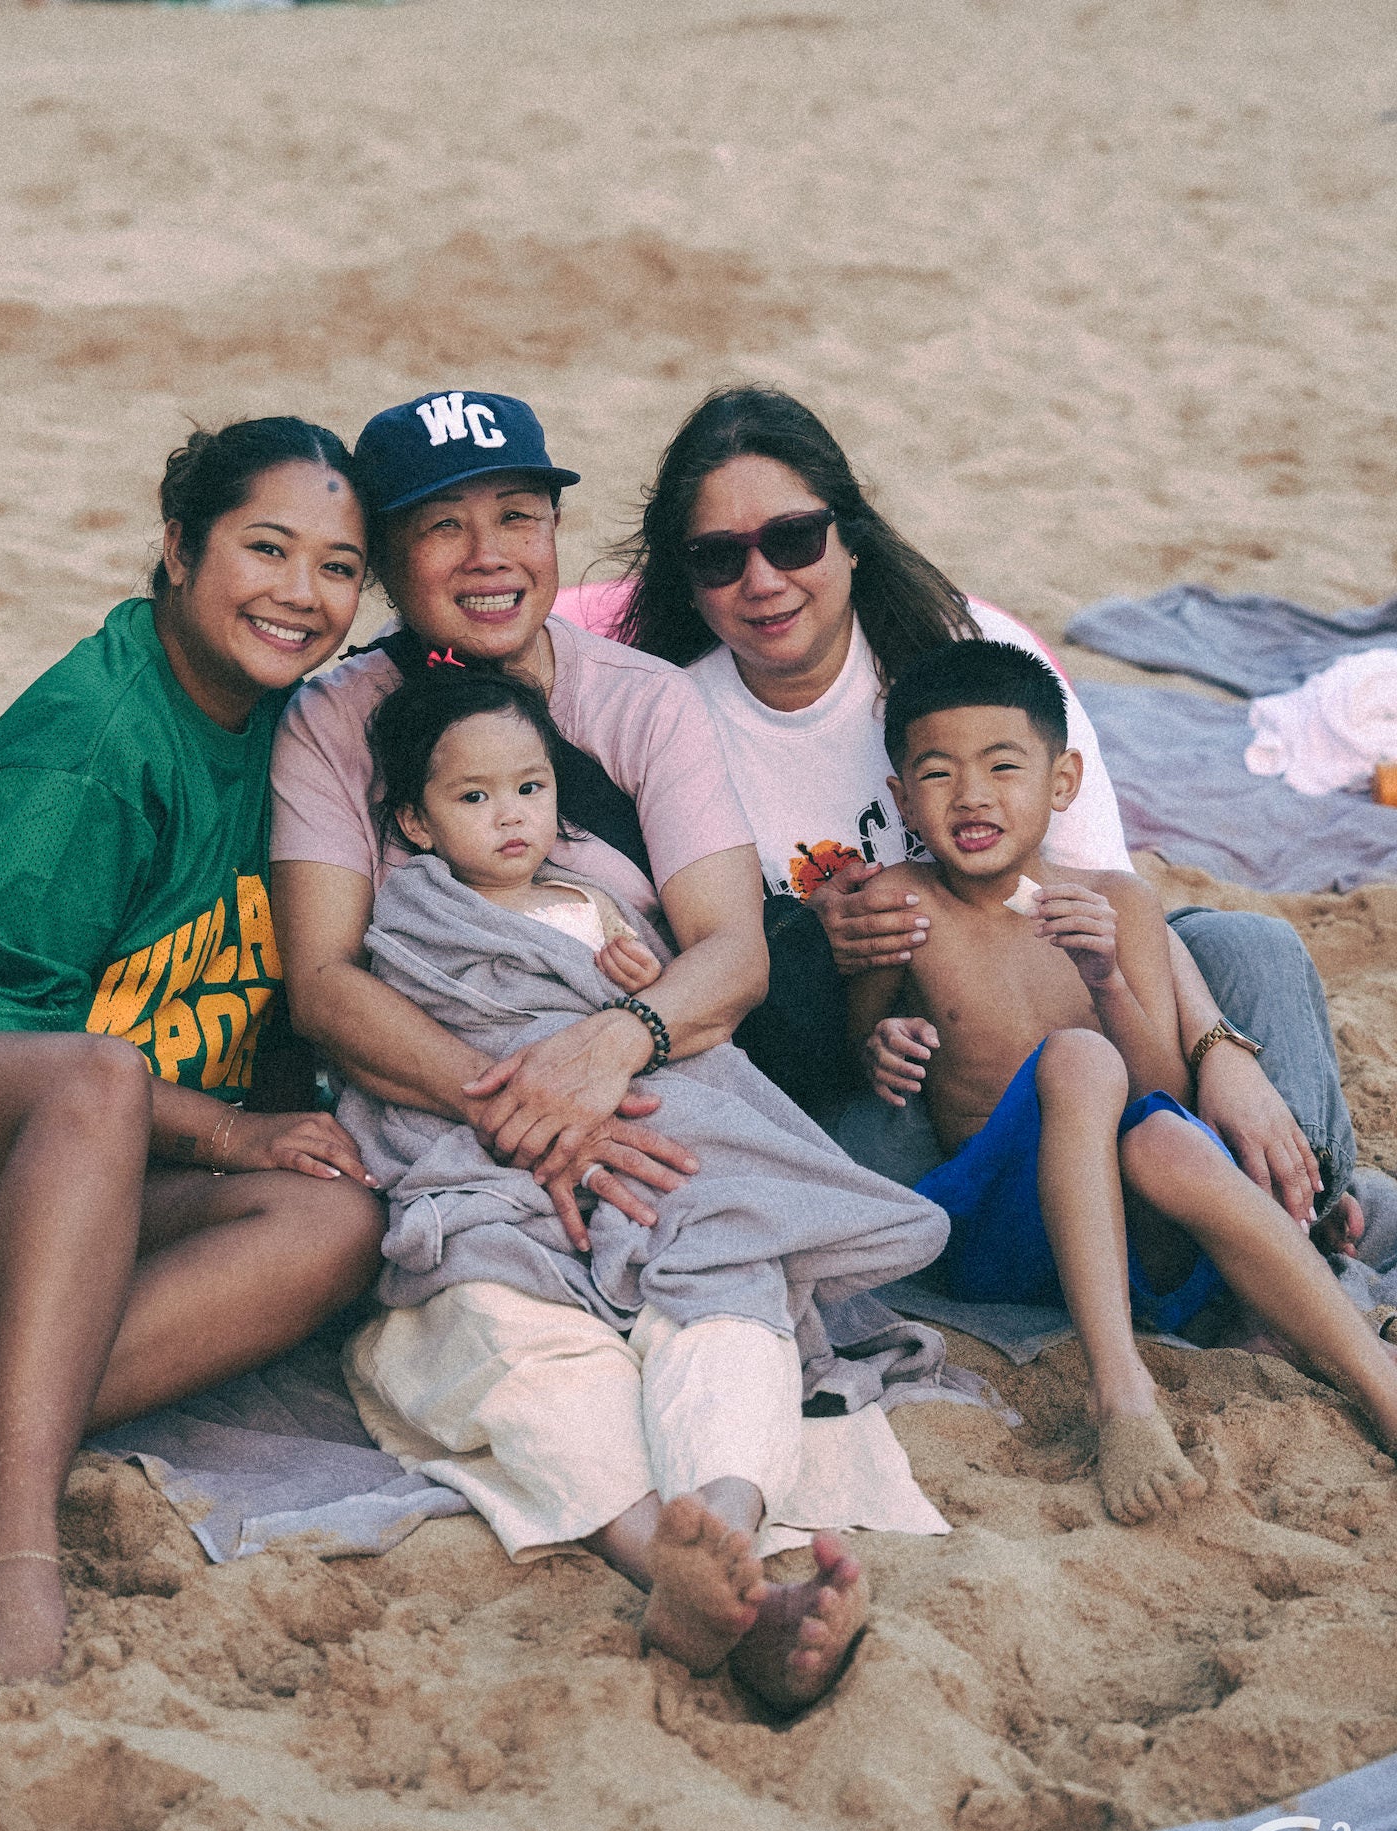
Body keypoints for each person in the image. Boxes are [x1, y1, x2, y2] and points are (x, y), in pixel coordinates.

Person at [0, 418, 386, 1685]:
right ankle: (14, 1543)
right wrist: (227, 1131)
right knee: (93, 1071)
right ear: (177, 548)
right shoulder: (97, 746)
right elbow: (5, 1039)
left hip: (68, 1187)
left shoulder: (296, 733)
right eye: (265, 547)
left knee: (334, 1220)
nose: (301, 594)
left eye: (338, 567)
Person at [581, 386, 1358, 1251]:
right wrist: (810, 946)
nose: (763, 581)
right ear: (685, 581)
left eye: (794, 539)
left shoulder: (974, 658)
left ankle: (1308, 1219)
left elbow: (1109, 892)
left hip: (1078, 1009)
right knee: (859, 1164)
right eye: (719, 557)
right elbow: (710, 972)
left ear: (849, 535)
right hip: (909, 1065)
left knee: (1253, 950)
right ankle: (1253, 1246)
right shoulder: (672, 721)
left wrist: (1223, 1054)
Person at [333, 666, 950, 1711]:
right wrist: (540, 1101)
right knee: (504, 1333)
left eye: (527, 788)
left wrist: (630, 990)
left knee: (728, 1308)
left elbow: (686, 1029)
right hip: (500, 1181)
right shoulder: (409, 921)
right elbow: (426, 1045)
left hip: (662, 1174)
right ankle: (673, 1564)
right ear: (415, 820)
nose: (508, 816)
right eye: (472, 796)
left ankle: (720, 1513)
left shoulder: (599, 904)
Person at [846, 640, 1397, 1522]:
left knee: (1168, 1134)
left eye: (1003, 767)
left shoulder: (1118, 904)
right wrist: (884, 1041)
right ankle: (1120, 1391)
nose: (974, 795)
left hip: (1143, 1235)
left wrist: (1105, 979)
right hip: (1006, 1235)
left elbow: (1161, 1086)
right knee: (1078, 1058)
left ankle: (1378, 1384)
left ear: (1061, 785)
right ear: (902, 797)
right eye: (939, 773)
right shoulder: (903, 904)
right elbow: (861, 1035)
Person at [269, 388, 769, 1252]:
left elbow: (733, 951)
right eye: (441, 528)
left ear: (554, 528)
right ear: (385, 558)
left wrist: (607, 1050)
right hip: (436, 1107)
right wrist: (524, 1105)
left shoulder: (646, 701)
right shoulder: (332, 720)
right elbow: (323, 981)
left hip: (645, 1085)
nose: (488, 557)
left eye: (516, 518)